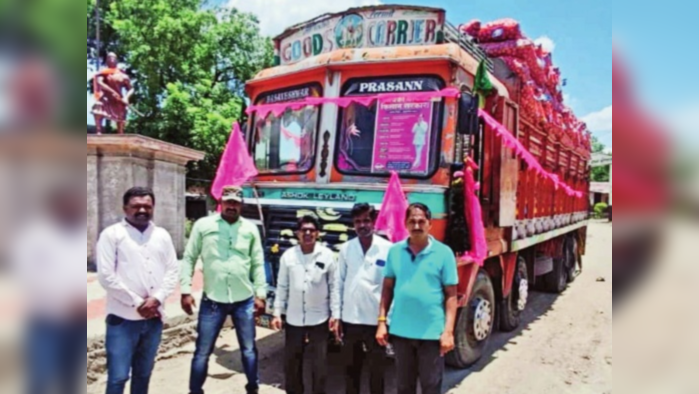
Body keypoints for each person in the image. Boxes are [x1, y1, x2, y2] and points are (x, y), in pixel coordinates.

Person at [181, 186, 267, 394]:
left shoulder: (250, 229)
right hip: (213, 300)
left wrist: (261, 295)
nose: (231, 206)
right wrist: (185, 290)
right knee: (202, 351)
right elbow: (189, 257)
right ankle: (195, 390)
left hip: (244, 300)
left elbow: (257, 262)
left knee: (248, 350)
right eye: (228, 202)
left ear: (241, 205)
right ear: (221, 202)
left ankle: (252, 387)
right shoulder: (204, 225)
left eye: (235, 203)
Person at [96, 187, 180, 394]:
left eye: (147, 206)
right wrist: (138, 303)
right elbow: (106, 276)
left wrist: (157, 299)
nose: (142, 209)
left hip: (153, 318)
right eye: (136, 206)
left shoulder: (162, 235)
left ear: (153, 208)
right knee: (118, 377)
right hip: (123, 319)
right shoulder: (112, 235)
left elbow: (172, 270)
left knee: (144, 374)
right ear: (125, 208)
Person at [376, 203, 459, 394]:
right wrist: (382, 322)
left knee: (431, 386)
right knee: (404, 387)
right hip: (401, 333)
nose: (416, 225)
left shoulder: (444, 253)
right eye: (412, 221)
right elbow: (387, 288)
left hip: (431, 334)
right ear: (405, 224)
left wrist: (448, 331)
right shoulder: (395, 251)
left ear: (430, 224)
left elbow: (451, 296)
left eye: (421, 221)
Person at [12, 184, 86, 394]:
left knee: (71, 376)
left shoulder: (77, 234)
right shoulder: (35, 236)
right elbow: (28, 276)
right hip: (47, 319)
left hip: (76, 321)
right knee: (41, 375)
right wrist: (65, 300)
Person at [271, 215, 340, 394]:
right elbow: (282, 286)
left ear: (317, 233)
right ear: (297, 233)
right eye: (304, 230)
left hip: (320, 318)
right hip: (294, 319)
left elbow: (334, 286)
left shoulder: (327, 255)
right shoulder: (288, 256)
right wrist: (277, 312)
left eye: (311, 230)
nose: (307, 233)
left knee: (319, 365)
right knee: (292, 364)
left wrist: (335, 314)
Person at [338, 203, 393, 394]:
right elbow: (339, 283)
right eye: (358, 221)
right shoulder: (346, 249)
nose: (362, 225)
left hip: (375, 321)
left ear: (374, 222)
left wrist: (385, 321)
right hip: (350, 319)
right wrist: (336, 317)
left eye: (366, 220)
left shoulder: (388, 249)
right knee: (351, 370)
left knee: (377, 371)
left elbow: (391, 287)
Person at [92, 52, 134, 135]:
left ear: (116, 60)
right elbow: (100, 82)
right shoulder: (103, 73)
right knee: (98, 105)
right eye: (109, 58)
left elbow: (131, 88)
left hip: (118, 100)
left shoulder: (123, 76)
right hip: (106, 98)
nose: (111, 59)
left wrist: (126, 97)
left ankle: (120, 132)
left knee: (122, 113)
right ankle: (99, 130)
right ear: (106, 60)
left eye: (113, 58)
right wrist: (112, 91)